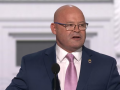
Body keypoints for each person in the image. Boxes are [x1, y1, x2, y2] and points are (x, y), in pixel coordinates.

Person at [6, 5, 120, 90]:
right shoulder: (32, 63)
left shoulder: (106, 65)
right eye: (69, 25)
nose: (77, 30)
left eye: (81, 25)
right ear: (54, 29)